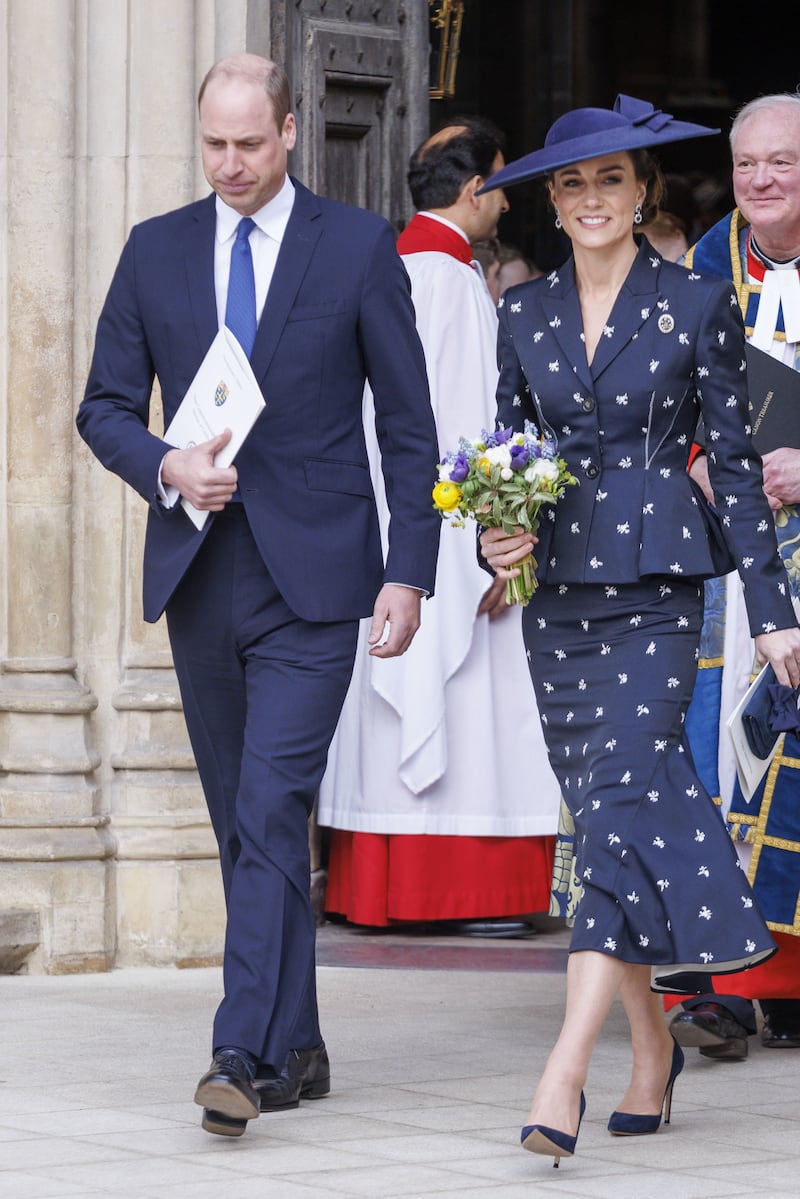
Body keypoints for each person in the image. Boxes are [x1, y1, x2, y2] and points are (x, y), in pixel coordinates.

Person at [76, 53, 440, 1138]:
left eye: (248, 143)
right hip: (201, 570)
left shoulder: (361, 246)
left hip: (320, 577)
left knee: (272, 805)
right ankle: (300, 1035)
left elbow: (409, 425)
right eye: (212, 145)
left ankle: (240, 1046)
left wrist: (408, 567)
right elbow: (102, 407)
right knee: (247, 821)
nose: (228, 164)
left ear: (289, 131)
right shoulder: (155, 250)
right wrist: (165, 464)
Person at [474, 93, 800, 1166]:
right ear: (553, 204)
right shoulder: (518, 315)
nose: (590, 199)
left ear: (639, 190)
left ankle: (562, 1070)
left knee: (615, 807)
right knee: (608, 821)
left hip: (659, 588)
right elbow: (504, 455)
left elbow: (740, 471)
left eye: (609, 179)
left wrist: (769, 615)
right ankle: (651, 1050)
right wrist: (492, 536)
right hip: (558, 599)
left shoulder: (697, 301)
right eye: (570, 184)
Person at [319, 121, 561, 931]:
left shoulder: (393, 266)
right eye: (501, 184)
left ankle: (385, 885)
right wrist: (487, 545)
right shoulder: (446, 281)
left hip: (384, 524)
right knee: (463, 700)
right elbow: (459, 433)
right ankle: (461, 889)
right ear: (474, 191)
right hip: (445, 532)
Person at [669, 93, 800, 1061]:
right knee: (725, 752)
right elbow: (669, 394)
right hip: (733, 551)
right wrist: (702, 462)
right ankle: (725, 978)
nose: (759, 179)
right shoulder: (707, 262)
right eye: (747, 162)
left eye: (781, 163)